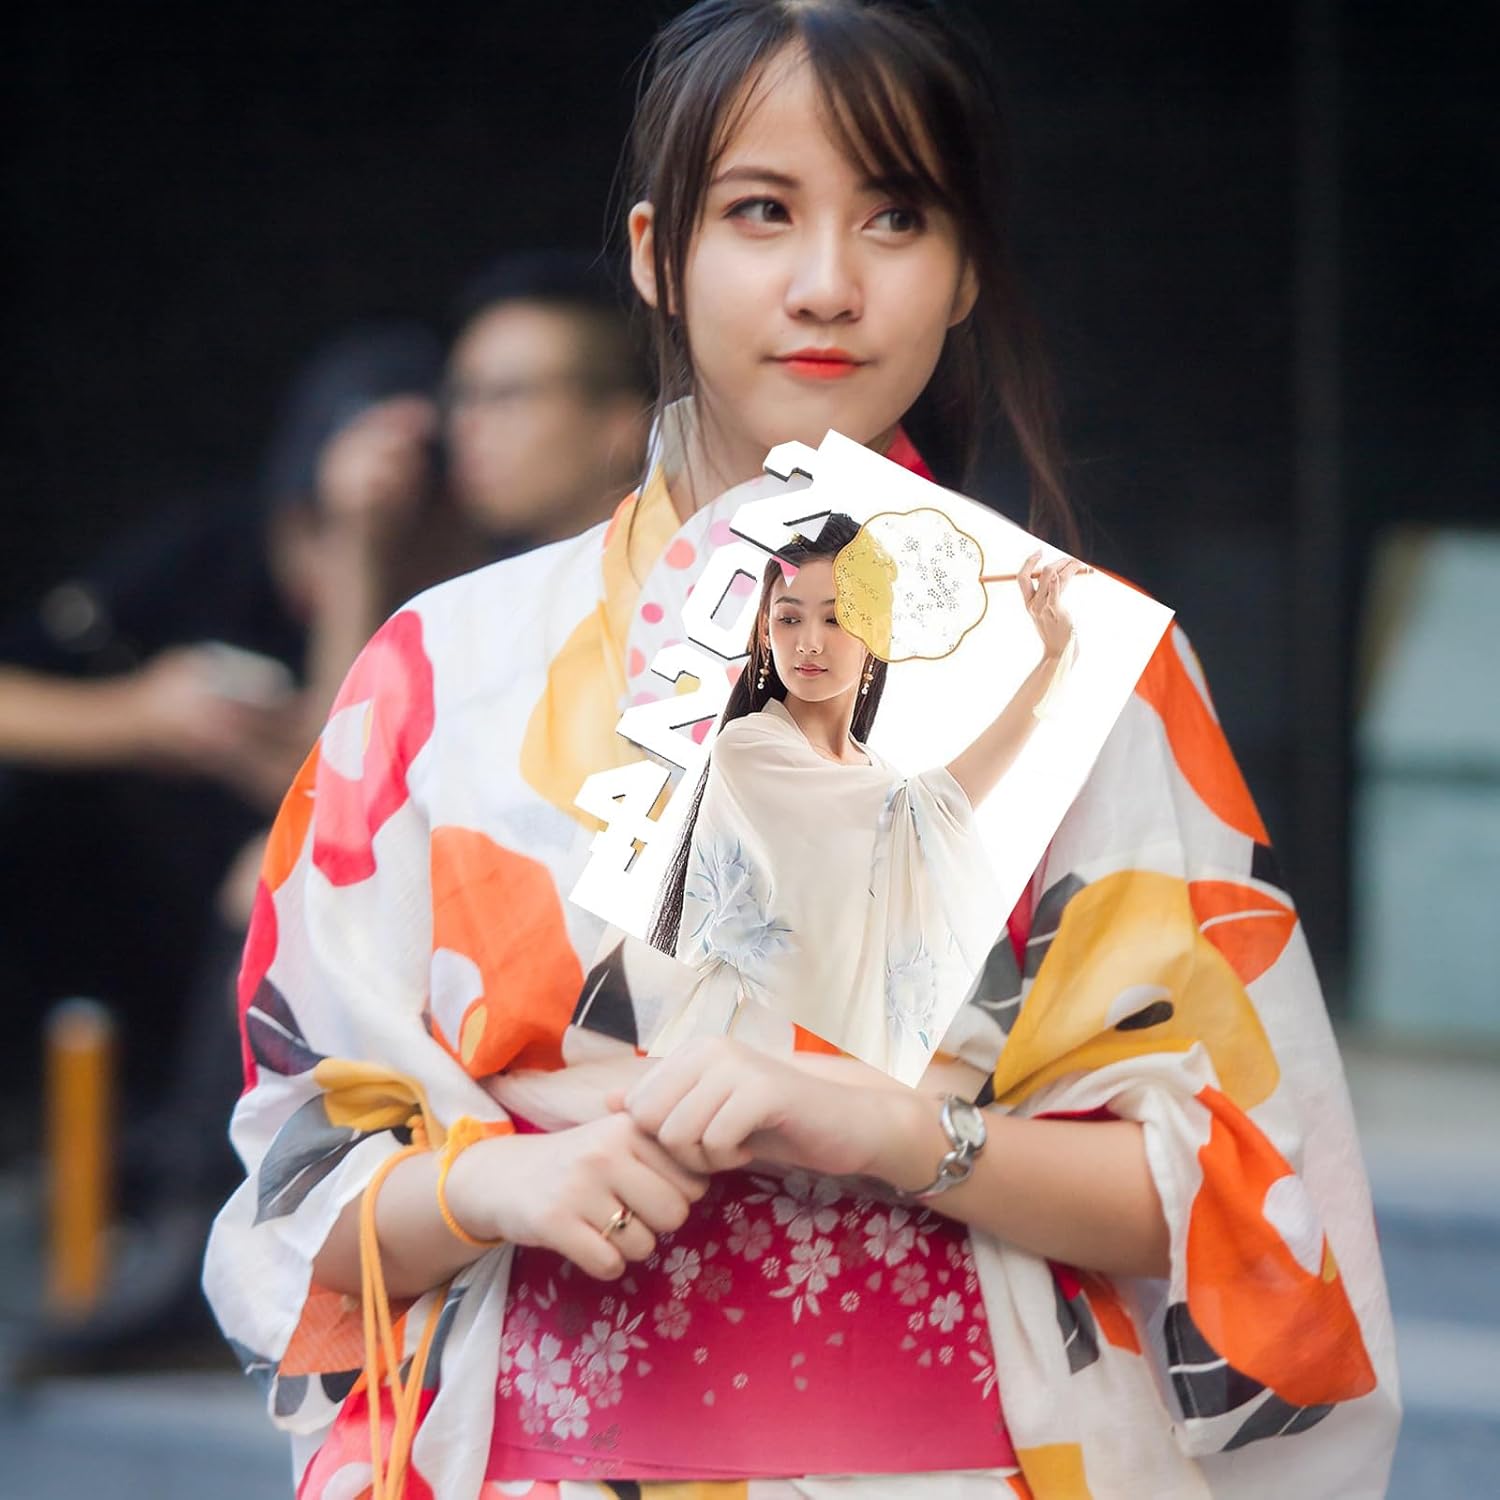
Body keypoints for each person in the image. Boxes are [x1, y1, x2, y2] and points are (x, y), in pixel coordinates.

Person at [204, 3, 1399, 1497]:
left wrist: (903, 1134)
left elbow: (1231, 1196)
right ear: (657, 255)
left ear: (966, 270)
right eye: (761, 212)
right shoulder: (440, 670)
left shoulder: (1086, 670)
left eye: (897, 217)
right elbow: (301, 1183)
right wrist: (497, 1179)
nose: (828, 284)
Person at [647, 513, 1080, 1081]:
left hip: (833, 1066)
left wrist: (1054, 659)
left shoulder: (880, 778)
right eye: (788, 618)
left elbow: (924, 817)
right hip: (744, 1047)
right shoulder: (750, 747)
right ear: (764, 632)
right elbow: (933, 809)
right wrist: (1051, 663)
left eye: (837, 618)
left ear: (878, 632)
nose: (808, 641)